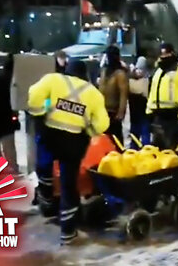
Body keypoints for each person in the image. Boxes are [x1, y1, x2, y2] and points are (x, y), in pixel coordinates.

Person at [28, 60, 110, 245]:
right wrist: (88, 131)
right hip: (74, 143)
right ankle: (68, 232)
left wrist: (41, 115)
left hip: (50, 136)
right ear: (85, 75)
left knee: (44, 166)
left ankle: (46, 198)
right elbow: (102, 125)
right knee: (69, 186)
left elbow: (34, 96)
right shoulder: (93, 94)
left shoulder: (52, 80)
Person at [147, 43, 178, 149]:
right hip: (158, 116)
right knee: (157, 149)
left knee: (170, 150)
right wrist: (149, 112)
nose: (163, 57)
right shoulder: (158, 72)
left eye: (166, 54)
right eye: (161, 55)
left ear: (172, 54)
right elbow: (152, 92)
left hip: (174, 117)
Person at [99, 45, 129, 144]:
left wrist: (121, 112)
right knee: (103, 138)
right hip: (102, 110)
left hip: (113, 112)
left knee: (115, 140)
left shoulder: (120, 74)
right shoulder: (104, 71)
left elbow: (123, 94)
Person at [129, 56, 151, 149]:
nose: (139, 72)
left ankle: (145, 147)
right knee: (136, 131)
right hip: (136, 112)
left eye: (141, 70)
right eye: (138, 69)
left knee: (143, 131)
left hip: (142, 112)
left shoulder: (147, 80)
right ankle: (136, 147)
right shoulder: (145, 81)